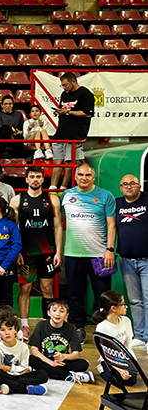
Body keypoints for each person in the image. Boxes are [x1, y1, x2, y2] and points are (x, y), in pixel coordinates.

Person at [61, 163, 116, 340]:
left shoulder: (105, 196)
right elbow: (60, 221)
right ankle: (79, 328)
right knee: (75, 294)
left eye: (88, 175)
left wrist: (109, 250)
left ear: (93, 177)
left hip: (99, 255)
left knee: (103, 296)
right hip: (73, 254)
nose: (84, 178)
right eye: (81, 175)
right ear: (75, 177)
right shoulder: (67, 196)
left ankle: (105, 330)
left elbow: (111, 225)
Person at [11, 166, 63, 334]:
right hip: (25, 254)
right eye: (31, 176)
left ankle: (48, 325)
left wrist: (58, 252)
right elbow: (14, 229)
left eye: (38, 176)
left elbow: (57, 227)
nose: (35, 179)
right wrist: (16, 251)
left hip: (47, 253)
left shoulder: (52, 199)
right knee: (25, 289)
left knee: (47, 288)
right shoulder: (17, 200)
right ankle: (24, 325)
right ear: (26, 179)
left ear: (43, 179)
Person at [27, 299, 92, 383]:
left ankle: (48, 372)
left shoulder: (71, 328)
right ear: (48, 313)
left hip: (62, 362)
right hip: (45, 360)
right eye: (54, 310)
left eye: (62, 311)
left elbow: (76, 354)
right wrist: (51, 363)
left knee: (83, 364)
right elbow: (34, 350)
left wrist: (63, 357)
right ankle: (68, 376)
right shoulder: (41, 325)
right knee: (31, 359)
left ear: (66, 315)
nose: (57, 314)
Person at [117, 174, 148, 348]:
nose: (129, 187)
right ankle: (141, 335)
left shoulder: (147, 200)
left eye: (133, 183)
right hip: (126, 260)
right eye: (125, 184)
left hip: (147, 261)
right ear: (121, 188)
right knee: (135, 300)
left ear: (139, 186)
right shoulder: (117, 204)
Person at [50, 72, 95, 190]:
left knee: (69, 163)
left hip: (75, 134)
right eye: (62, 86)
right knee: (57, 162)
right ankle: (53, 187)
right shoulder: (64, 94)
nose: (64, 88)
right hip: (61, 132)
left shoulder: (85, 94)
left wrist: (68, 112)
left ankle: (64, 188)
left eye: (65, 85)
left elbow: (88, 113)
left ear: (73, 81)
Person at [0, 310, 49, 395]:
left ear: (16, 330)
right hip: (5, 375)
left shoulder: (23, 347)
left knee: (43, 375)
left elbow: (24, 367)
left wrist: (8, 368)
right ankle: (26, 389)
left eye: (10, 329)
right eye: (3, 330)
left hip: (19, 375)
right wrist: (12, 370)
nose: (7, 333)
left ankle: (11, 387)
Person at [93, 290, 138, 385]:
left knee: (131, 380)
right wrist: (120, 369)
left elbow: (128, 345)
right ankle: (102, 368)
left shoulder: (126, 321)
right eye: (123, 304)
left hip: (124, 358)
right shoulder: (102, 327)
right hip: (110, 360)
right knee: (118, 379)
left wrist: (131, 364)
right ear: (113, 308)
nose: (126, 307)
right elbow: (105, 353)